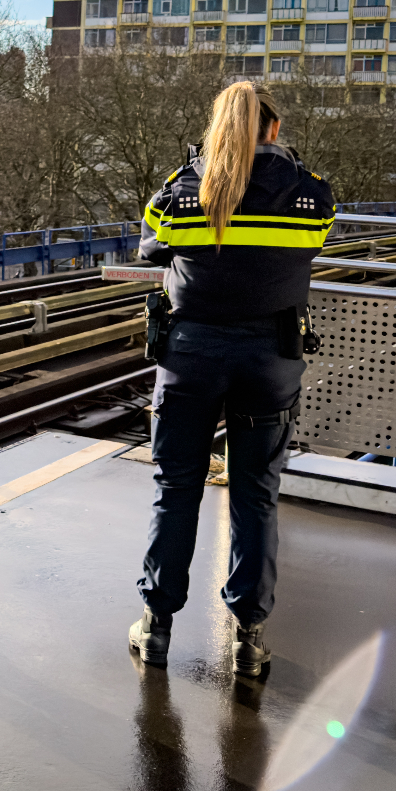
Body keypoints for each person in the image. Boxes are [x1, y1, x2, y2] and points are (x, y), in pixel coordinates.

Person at [129, 81, 335, 677]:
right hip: (270, 357)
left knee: (176, 488)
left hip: (191, 353)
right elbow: (312, 242)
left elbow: (151, 247)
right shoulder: (308, 193)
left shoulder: (181, 190)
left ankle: (157, 627)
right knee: (255, 494)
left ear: (217, 127)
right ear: (274, 128)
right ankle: (249, 637)